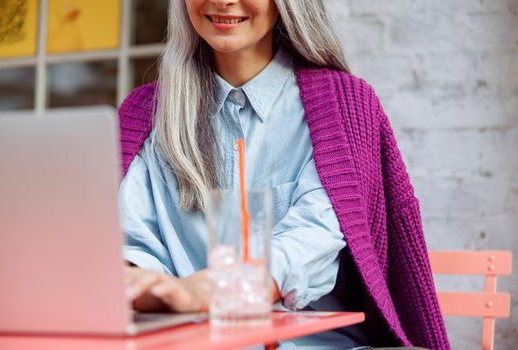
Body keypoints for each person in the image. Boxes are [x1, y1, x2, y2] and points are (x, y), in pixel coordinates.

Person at [119, 0, 449, 349]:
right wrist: (140, 284)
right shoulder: (147, 115)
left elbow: (314, 237)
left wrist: (209, 289)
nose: (222, 1)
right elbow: (134, 244)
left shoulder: (345, 105)